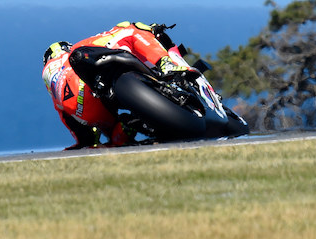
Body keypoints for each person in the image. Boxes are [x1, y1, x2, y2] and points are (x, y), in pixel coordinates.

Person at [42, 21, 200, 149]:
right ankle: (166, 64)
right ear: (65, 48)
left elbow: (76, 129)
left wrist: (87, 141)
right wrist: (152, 29)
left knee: (117, 135)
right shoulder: (72, 51)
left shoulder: (52, 89)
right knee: (129, 28)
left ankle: (128, 128)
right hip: (88, 74)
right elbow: (114, 35)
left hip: (87, 111)